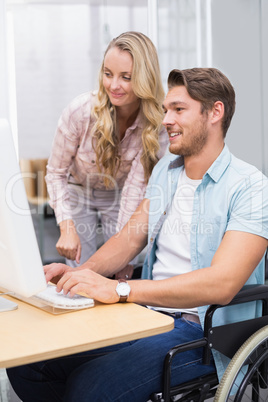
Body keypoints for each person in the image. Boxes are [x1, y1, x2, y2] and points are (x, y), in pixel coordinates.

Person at [7, 67, 268, 402]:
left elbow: (223, 283)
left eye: (178, 109)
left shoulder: (251, 187)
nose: (166, 120)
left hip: (202, 333)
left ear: (214, 112)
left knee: (91, 387)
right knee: (32, 363)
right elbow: (130, 239)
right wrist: (80, 274)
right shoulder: (167, 172)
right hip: (146, 315)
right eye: (165, 110)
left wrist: (121, 289)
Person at [45, 31, 168, 277]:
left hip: (120, 193)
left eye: (126, 77)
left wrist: (123, 254)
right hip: (78, 189)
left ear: (145, 78)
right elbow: (55, 173)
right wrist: (67, 227)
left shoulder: (156, 126)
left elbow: (136, 188)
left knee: (117, 268)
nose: (113, 85)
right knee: (81, 270)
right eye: (108, 74)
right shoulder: (80, 112)